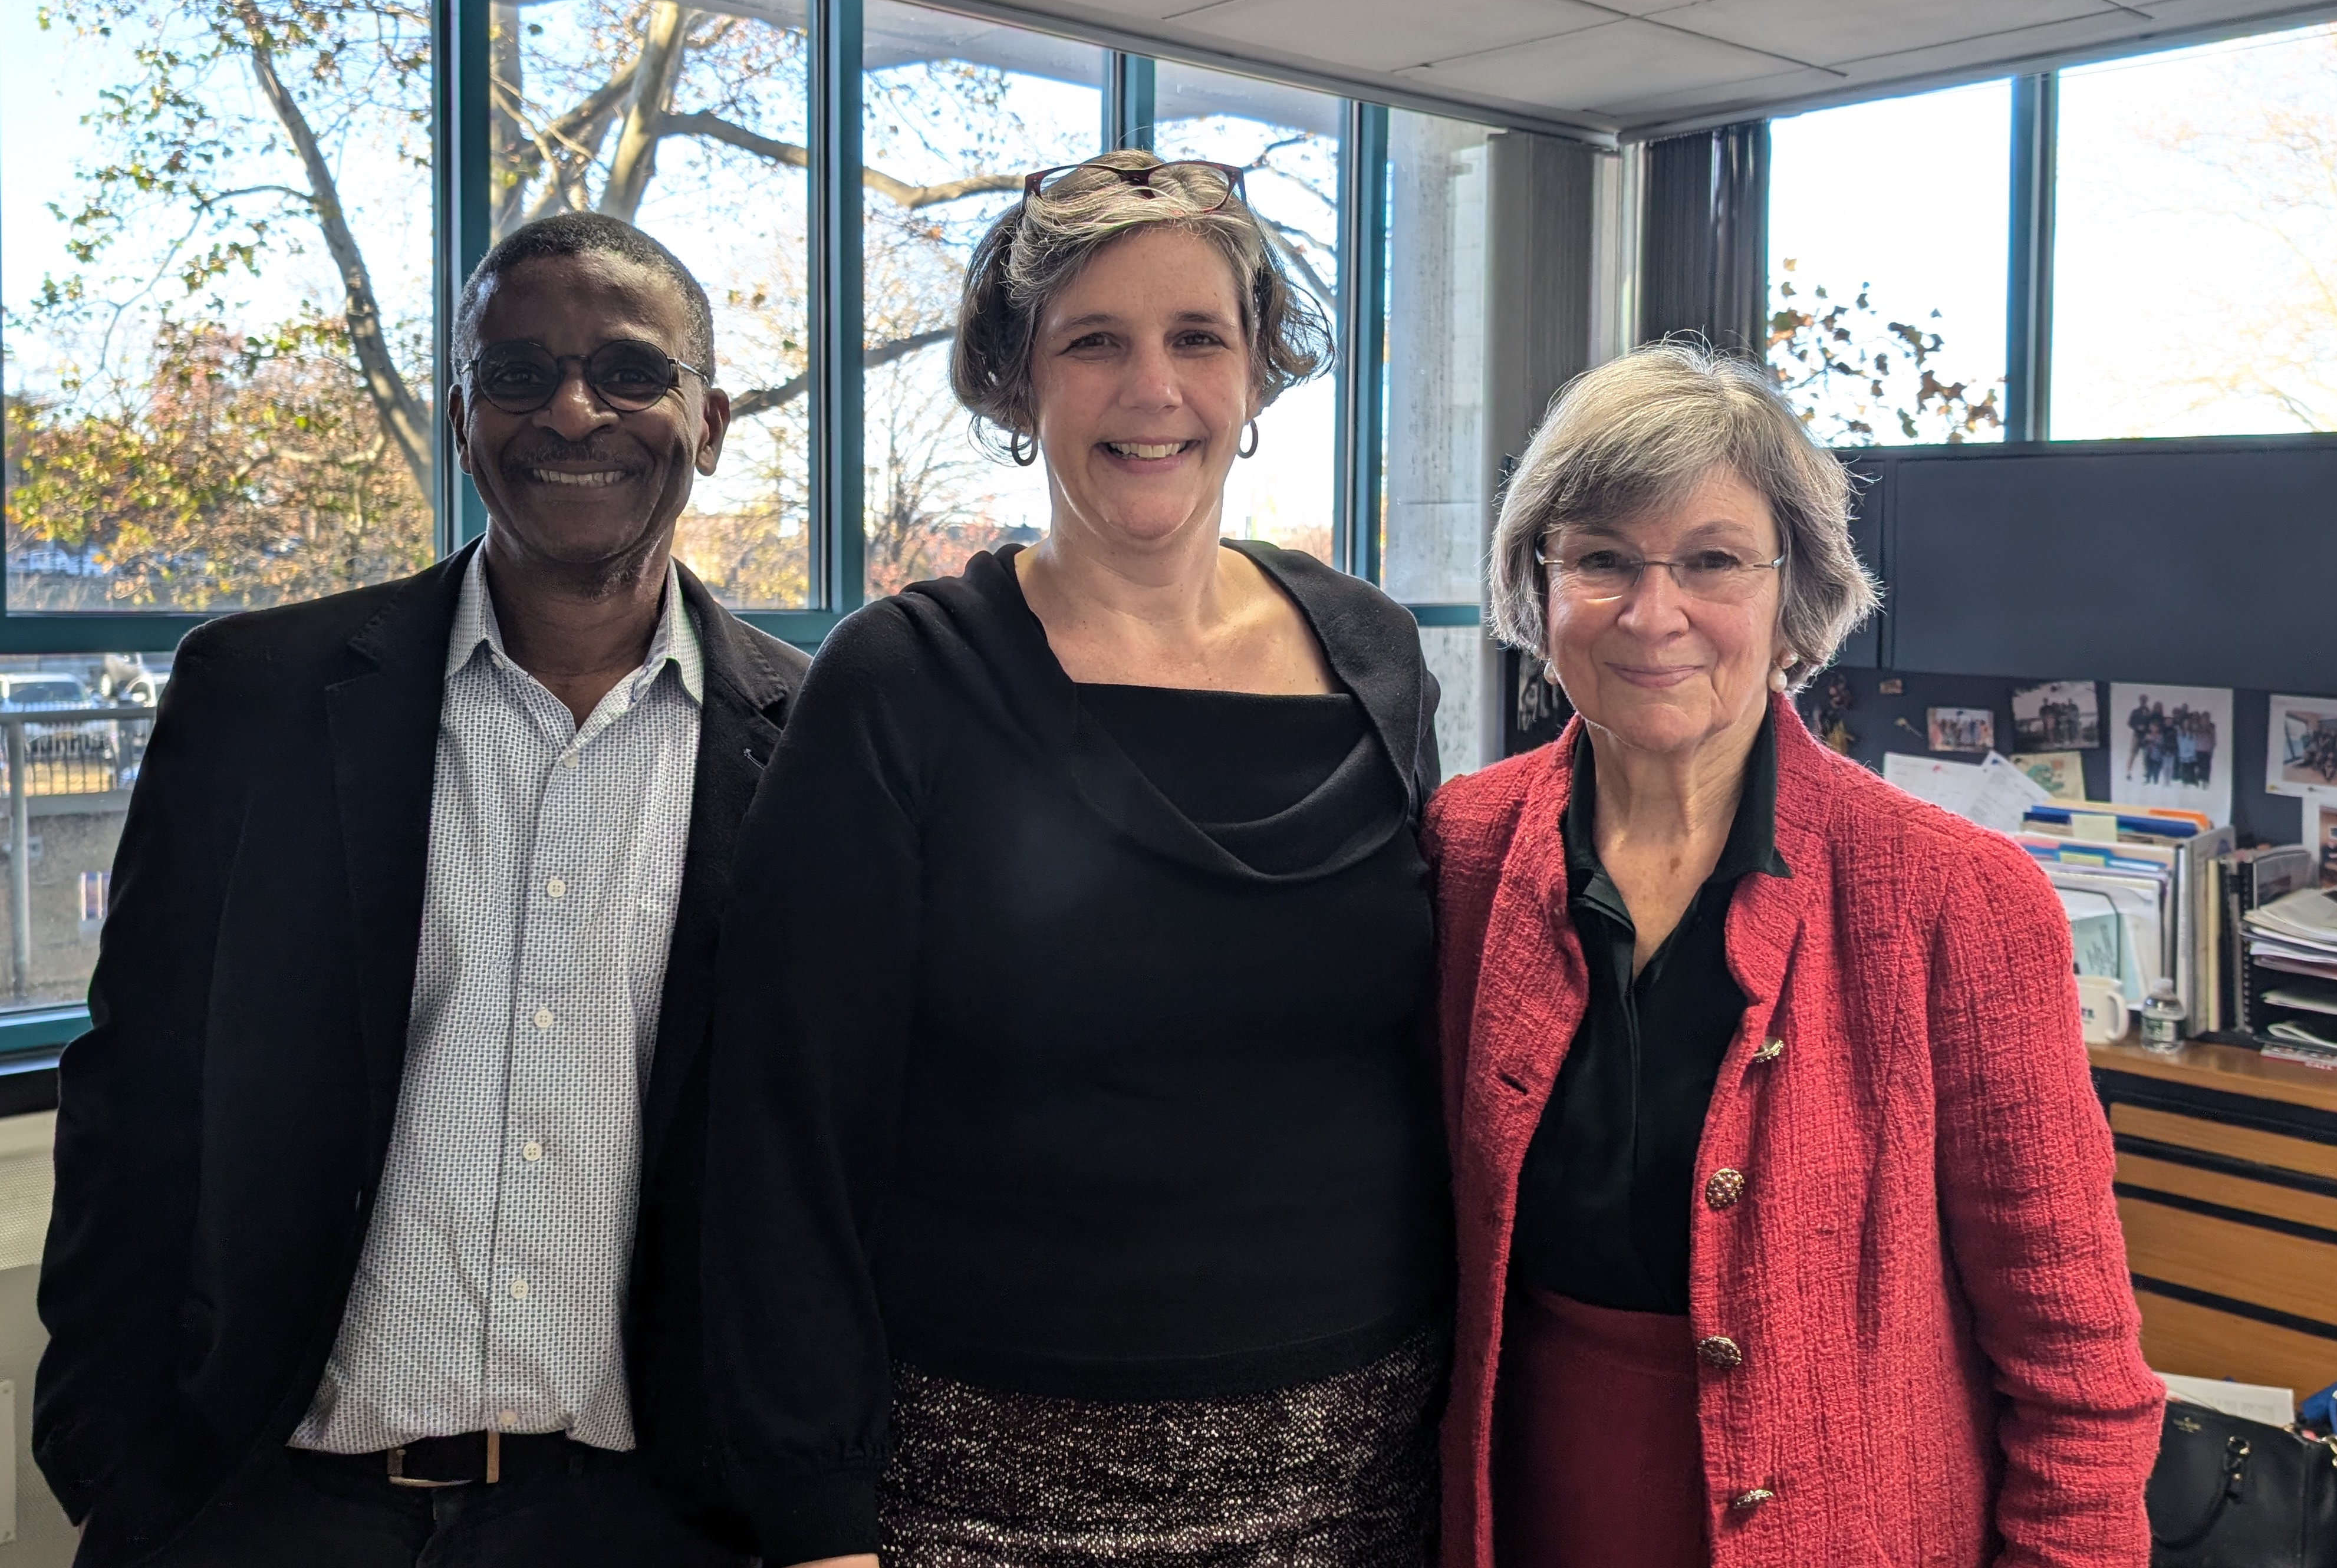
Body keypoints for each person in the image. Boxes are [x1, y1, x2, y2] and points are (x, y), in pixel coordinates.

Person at [705, 153, 1450, 1568]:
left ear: (1257, 374)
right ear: (1015, 378)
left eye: (1198, 338)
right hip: (988, 1490)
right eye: (1094, 341)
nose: (1151, 387)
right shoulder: (903, 680)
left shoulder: (1373, 658)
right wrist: (814, 1519)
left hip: (1364, 1479)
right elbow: (784, 1126)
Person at [35, 213, 809, 1567]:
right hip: (266, 1504)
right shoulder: (254, 698)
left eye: (630, 371)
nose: (573, 410)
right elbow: (135, 1089)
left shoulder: (817, 742)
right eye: (516, 375)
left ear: (711, 421)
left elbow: (835, 1147)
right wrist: (112, 1460)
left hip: (644, 1519)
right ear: (462, 419)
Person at [1423, 344, 2162, 1568]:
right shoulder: (1464, 852)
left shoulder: (1956, 903)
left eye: (1711, 561)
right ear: (1537, 588)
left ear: (1793, 597)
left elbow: (2077, 1372)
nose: (1653, 613)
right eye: (1601, 558)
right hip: (1523, 1517)